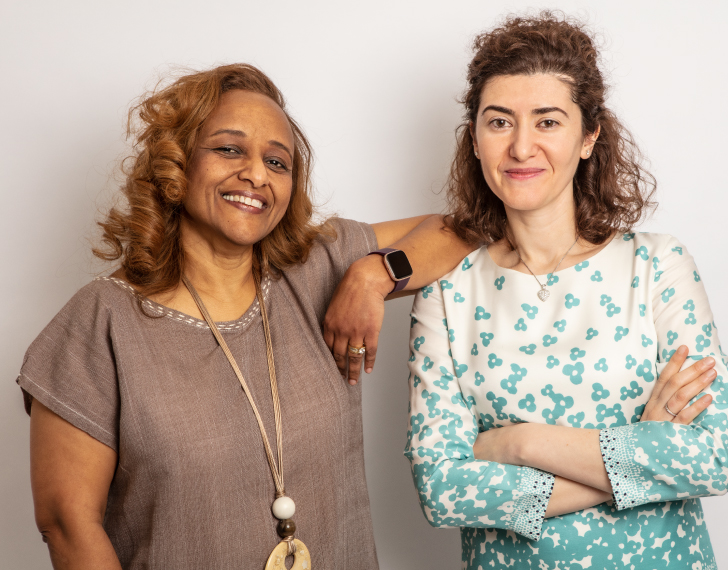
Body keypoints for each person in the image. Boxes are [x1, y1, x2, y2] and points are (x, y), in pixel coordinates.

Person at [17, 63, 473, 570]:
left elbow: (465, 229)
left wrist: (375, 274)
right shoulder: (101, 321)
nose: (256, 174)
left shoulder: (316, 268)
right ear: (177, 162)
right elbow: (67, 523)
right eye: (229, 149)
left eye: (277, 162)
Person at [404, 13, 728, 569]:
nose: (520, 147)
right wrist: (642, 449)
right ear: (474, 139)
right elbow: (442, 491)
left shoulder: (658, 266)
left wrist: (519, 444)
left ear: (589, 136)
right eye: (498, 122)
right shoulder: (445, 296)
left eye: (547, 121)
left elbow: (711, 456)